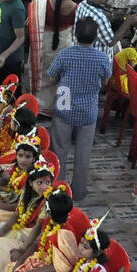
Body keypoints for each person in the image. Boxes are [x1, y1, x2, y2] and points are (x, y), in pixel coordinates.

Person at [47, 17, 112, 201]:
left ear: (75, 34)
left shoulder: (65, 54)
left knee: (59, 149)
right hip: (88, 111)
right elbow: (106, 82)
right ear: (95, 36)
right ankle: (79, 191)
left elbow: (51, 78)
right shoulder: (102, 57)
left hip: (64, 106)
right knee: (83, 152)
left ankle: (58, 189)